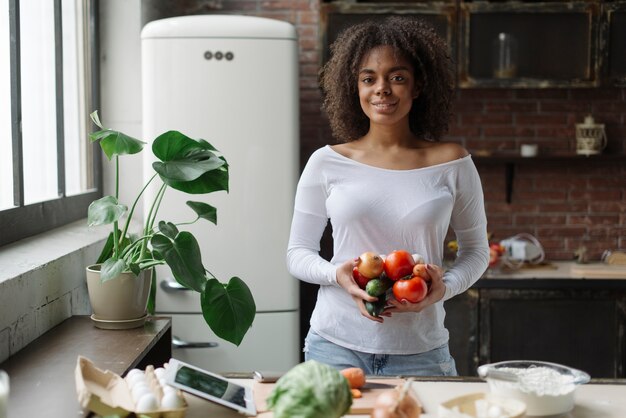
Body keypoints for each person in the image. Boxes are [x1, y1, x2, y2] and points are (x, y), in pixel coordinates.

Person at [286, 16, 489, 376]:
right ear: (356, 87)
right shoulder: (326, 162)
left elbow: (476, 252)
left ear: (417, 85)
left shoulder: (453, 162)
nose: (382, 89)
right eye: (369, 78)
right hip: (334, 347)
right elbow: (298, 253)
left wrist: (443, 288)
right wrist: (337, 275)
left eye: (397, 77)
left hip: (422, 352)